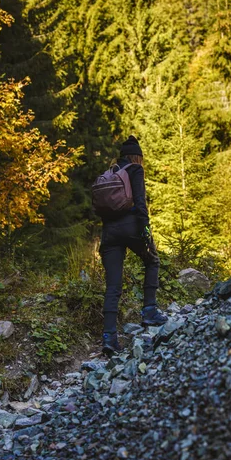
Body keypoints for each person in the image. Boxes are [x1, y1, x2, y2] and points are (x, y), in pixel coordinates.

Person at [100, 135, 168, 356]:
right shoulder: (135, 170)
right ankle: (149, 310)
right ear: (137, 156)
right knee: (152, 260)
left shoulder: (110, 173)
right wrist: (146, 234)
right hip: (131, 228)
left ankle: (109, 337)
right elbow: (140, 204)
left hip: (109, 233)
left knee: (113, 287)